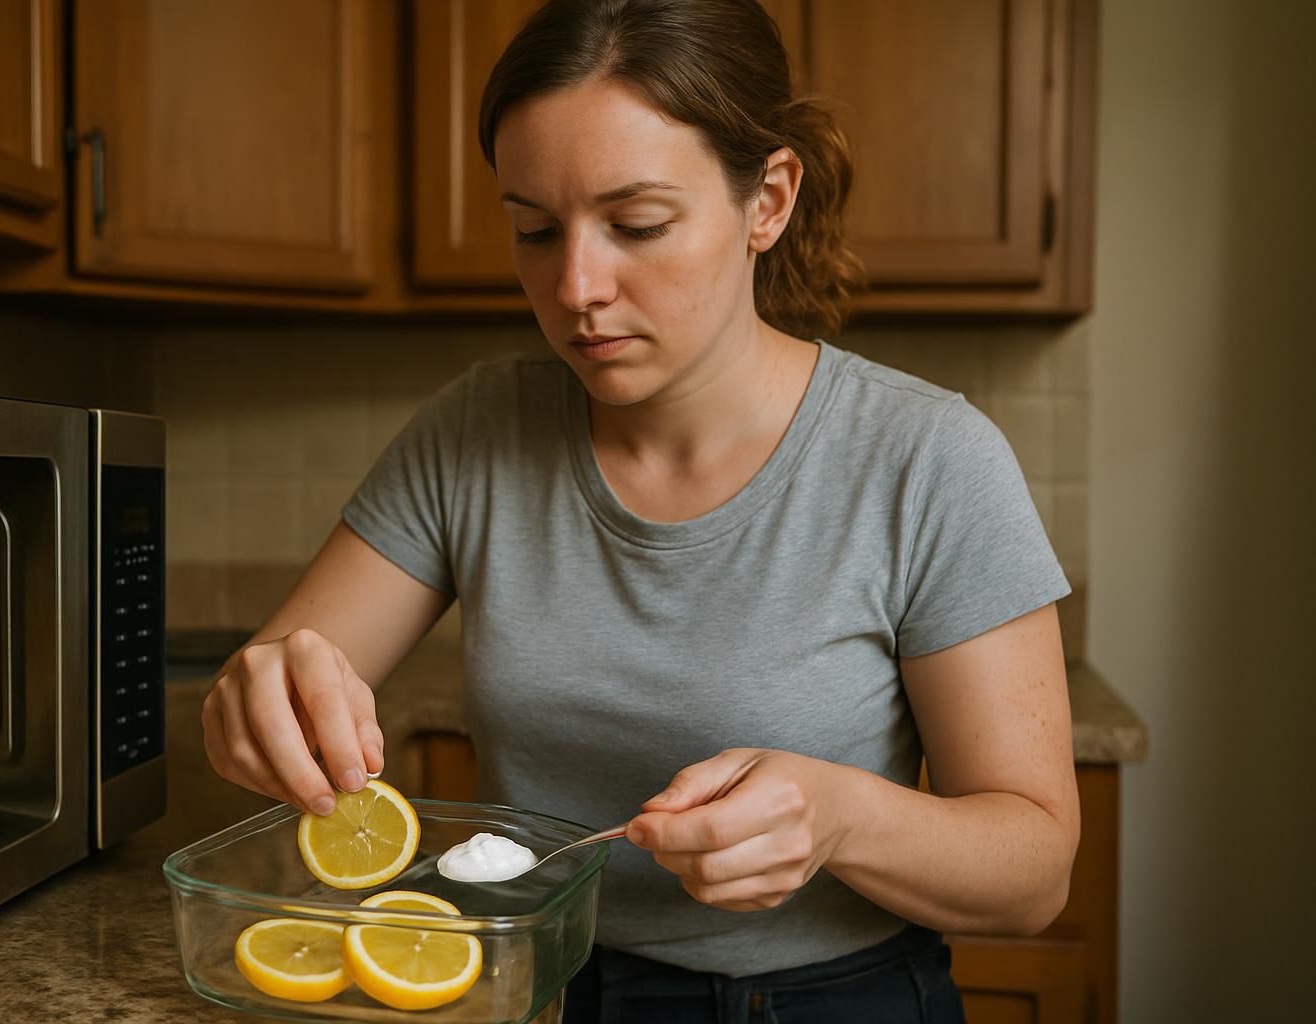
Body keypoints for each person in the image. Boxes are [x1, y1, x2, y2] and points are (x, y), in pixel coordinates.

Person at [202, 0, 1079, 1019]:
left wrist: (842, 816)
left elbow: (1035, 872)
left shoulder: (929, 460)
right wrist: (255, 705)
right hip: (544, 988)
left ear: (769, 200)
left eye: (637, 226)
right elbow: (270, 693)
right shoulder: (474, 431)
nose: (575, 286)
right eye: (534, 228)